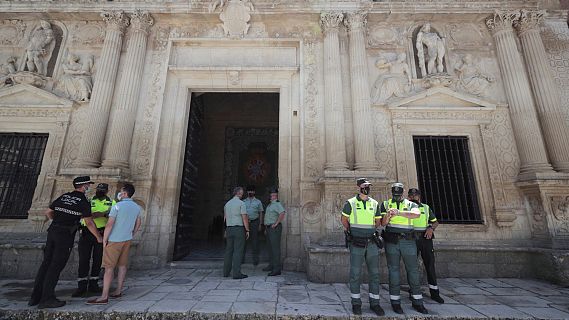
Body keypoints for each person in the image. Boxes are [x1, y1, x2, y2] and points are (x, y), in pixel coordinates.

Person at [29, 176, 101, 309]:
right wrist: (98, 237)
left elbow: (49, 212)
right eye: (88, 185)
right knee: (56, 266)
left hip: (53, 231)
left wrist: (57, 221)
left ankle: (35, 297)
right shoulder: (83, 200)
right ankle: (47, 299)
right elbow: (89, 222)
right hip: (65, 235)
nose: (89, 187)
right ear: (83, 186)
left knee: (46, 263)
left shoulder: (64, 196)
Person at [87, 183, 141, 305]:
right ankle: (118, 290)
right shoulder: (136, 207)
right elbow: (138, 222)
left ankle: (104, 296)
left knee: (109, 268)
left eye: (121, 191)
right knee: (122, 266)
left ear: (125, 193)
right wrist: (132, 233)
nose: (119, 193)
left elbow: (110, 224)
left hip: (114, 240)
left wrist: (105, 239)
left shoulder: (117, 206)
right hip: (126, 239)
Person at [380, 182, 428, 315]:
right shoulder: (385, 204)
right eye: (394, 194)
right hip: (392, 241)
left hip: (408, 241)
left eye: (399, 194)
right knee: (393, 271)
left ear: (403, 193)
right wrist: (388, 216)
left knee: (413, 271)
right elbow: (382, 223)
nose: (396, 196)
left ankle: (418, 301)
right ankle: (395, 302)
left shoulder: (411, 204)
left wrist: (398, 212)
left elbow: (416, 215)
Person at [340, 178, 385, 316]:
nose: (367, 188)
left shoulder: (375, 203)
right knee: (355, 274)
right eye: (365, 186)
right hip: (356, 243)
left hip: (371, 243)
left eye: (368, 186)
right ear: (359, 187)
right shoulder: (350, 203)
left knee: (375, 274)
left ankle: (375, 303)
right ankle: (356, 303)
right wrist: (354, 232)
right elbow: (344, 220)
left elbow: (377, 222)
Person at [72, 183, 115, 297]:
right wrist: (89, 215)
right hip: (87, 232)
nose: (100, 191)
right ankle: (81, 285)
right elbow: (79, 214)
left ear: (106, 191)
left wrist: (104, 214)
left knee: (98, 259)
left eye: (102, 190)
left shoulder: (112, 202)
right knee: (84, 259)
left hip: (102, 233)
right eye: (99, 189)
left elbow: (115, 215)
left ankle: (94, 284)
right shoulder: (88, 200)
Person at [408, 188, 444, 304]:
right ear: (408, 197)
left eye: (415, 195)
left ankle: (434, 293)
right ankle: (413, 291)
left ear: (419, 196)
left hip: (425, 238)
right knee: (413, 266)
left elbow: (435, 221)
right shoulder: (406, 207)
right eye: (411, 195)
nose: (414, 197)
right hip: (412, 238)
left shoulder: (425, 207)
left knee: (430, 265)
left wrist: (431, 228)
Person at [222, 186, 250, 279]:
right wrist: (247, 230)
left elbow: (225, 218)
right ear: (239, 193)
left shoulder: (227, 204)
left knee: (228, 251)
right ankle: (236, 273)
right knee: (238, 251)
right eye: (242, 193)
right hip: (238, 229)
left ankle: (226, 272)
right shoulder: (241, 203)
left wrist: (226, 229)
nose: (242, 194)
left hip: (229, 229)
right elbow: (244, 217)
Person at [263, 187, 285, 276]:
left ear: (276, 195)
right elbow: (268, 217)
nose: (272, 196)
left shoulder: (277, 204)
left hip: (274, 229)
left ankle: (277, 269)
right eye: (271, 195)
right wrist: (266, 228)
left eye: (274, 195)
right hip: (269, 228)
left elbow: (282, 213)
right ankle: (271, 265)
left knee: (275, 249)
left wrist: (276, 224)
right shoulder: (270, 204)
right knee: (270, 248)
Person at [243, 185, 263, 266]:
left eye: (252, 191)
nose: (250, 192)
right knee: (243, 242)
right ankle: (241, 259)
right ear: (247, 192)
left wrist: (260, 224)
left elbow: (261, 213)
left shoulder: (258, 202)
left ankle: (255, 259)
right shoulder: (243, 201)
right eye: (249, 191)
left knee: (255, 242)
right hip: (245, 223)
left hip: (255, 222)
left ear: (254, 192)